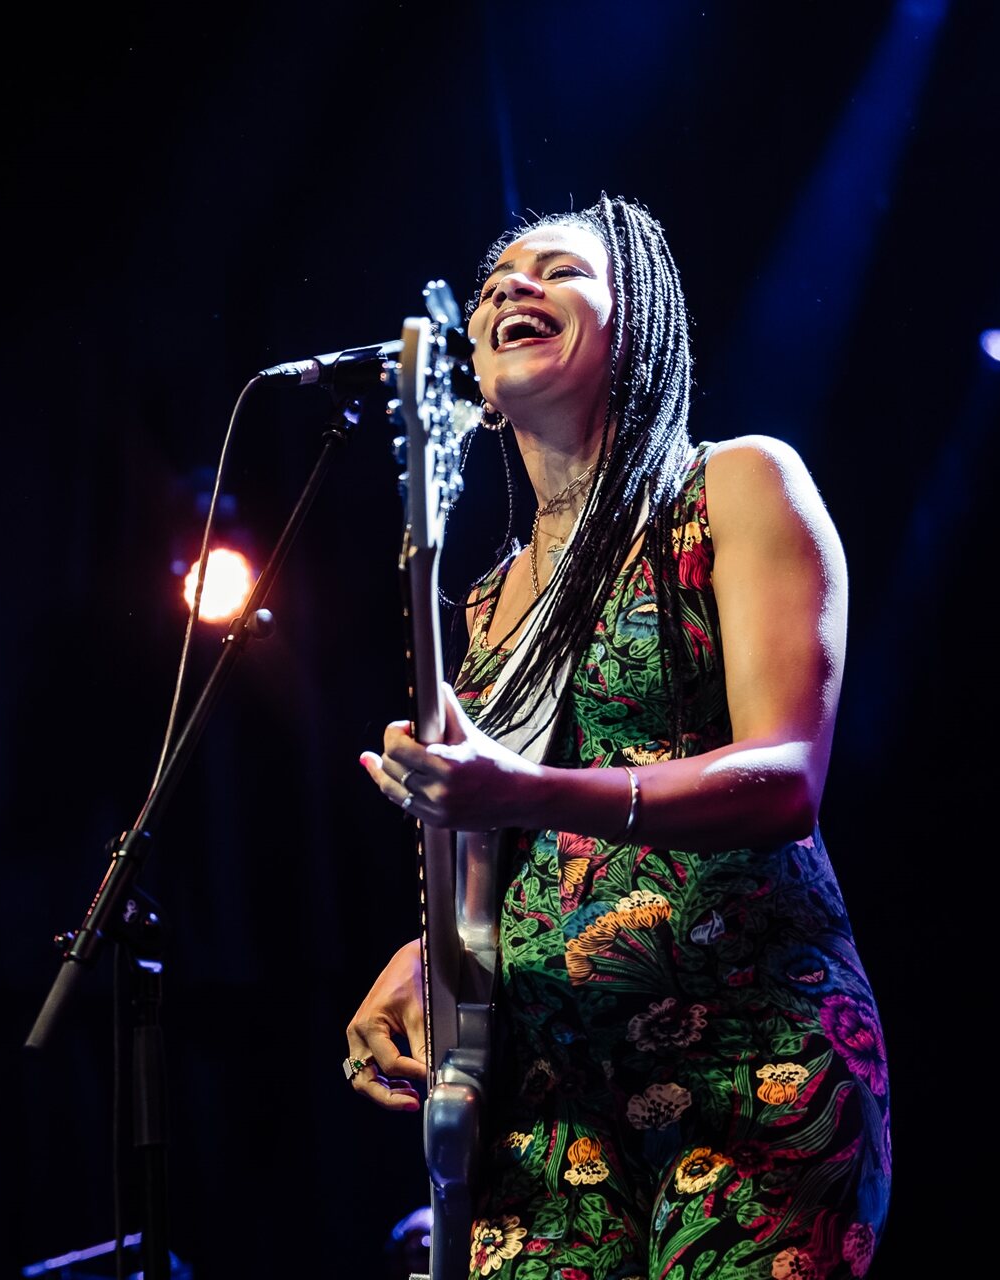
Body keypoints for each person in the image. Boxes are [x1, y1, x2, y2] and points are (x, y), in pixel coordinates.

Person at [344, 194, 891, 1279]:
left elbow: (786, 780)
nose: (513, 286)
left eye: (560, 270)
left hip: (752, 1061)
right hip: (546, 1104)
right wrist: (431, 956)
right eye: (495, 282)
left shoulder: (735, 483)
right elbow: (494, 869)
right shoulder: (483, 607)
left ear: (637, 329)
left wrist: (528, 789)